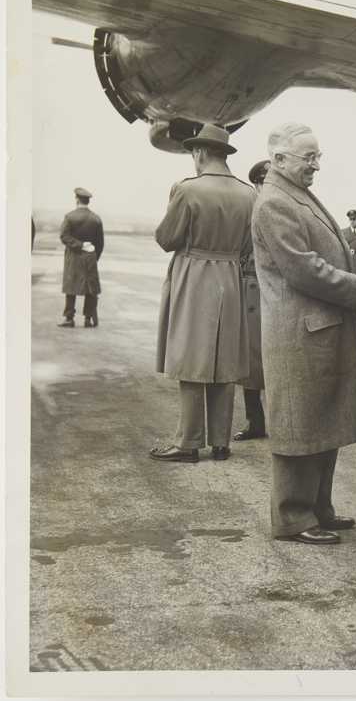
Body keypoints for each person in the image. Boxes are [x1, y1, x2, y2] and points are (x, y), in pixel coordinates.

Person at [252, 123, 356, 545]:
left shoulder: (294, 193)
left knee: (322, 422)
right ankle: (293, 517)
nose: (316, 166)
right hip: (300, 334)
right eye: (309, 158)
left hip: (317, 328)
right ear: (279, 159)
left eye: (317, 157)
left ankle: (318, 508)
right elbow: (303, 269)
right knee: (299, 426)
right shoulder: (275, 202)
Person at [150, 124, 256, 464]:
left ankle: (188, 443)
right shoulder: (249, 194)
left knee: (190, 357)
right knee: (225, 359)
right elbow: (248, 246)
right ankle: (221, 442)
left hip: (194, 276)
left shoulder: (187, 189)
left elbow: (167, 239)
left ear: (199, 152)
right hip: (230, 276)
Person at [233, 159, 270, 442]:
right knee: (250, 361)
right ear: (257, 184)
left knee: (268, 360)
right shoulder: (251, 208)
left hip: (268, 290)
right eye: (265, 182)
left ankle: (277, 423)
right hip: (249, 287)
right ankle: (255, 422)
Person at [58, 188, 104, 328]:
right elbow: (100, 243)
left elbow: (64, 236)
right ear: (88, 201)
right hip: (90, 257)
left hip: (73, 256)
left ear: (77, 199)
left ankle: (69, 318)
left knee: (70, 287)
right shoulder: (96, 219)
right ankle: (88, 319)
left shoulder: (69, 217)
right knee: (90, 288)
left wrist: (79, 245)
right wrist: (94, 256)